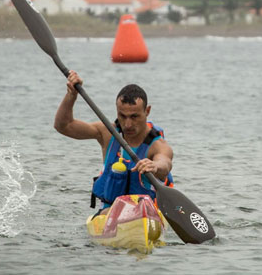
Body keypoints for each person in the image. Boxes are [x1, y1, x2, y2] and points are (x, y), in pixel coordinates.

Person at [54, 70, 173, 214]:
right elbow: (63, 126)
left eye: (134, 116)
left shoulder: (157, 145)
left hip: (147, 215)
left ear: (147, 111)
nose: (128, 124)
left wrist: (154, 166)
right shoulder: (107, 133)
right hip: (109, 214)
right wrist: (71, 95)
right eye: (122, 116)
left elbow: (165, 163)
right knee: (109, 212)